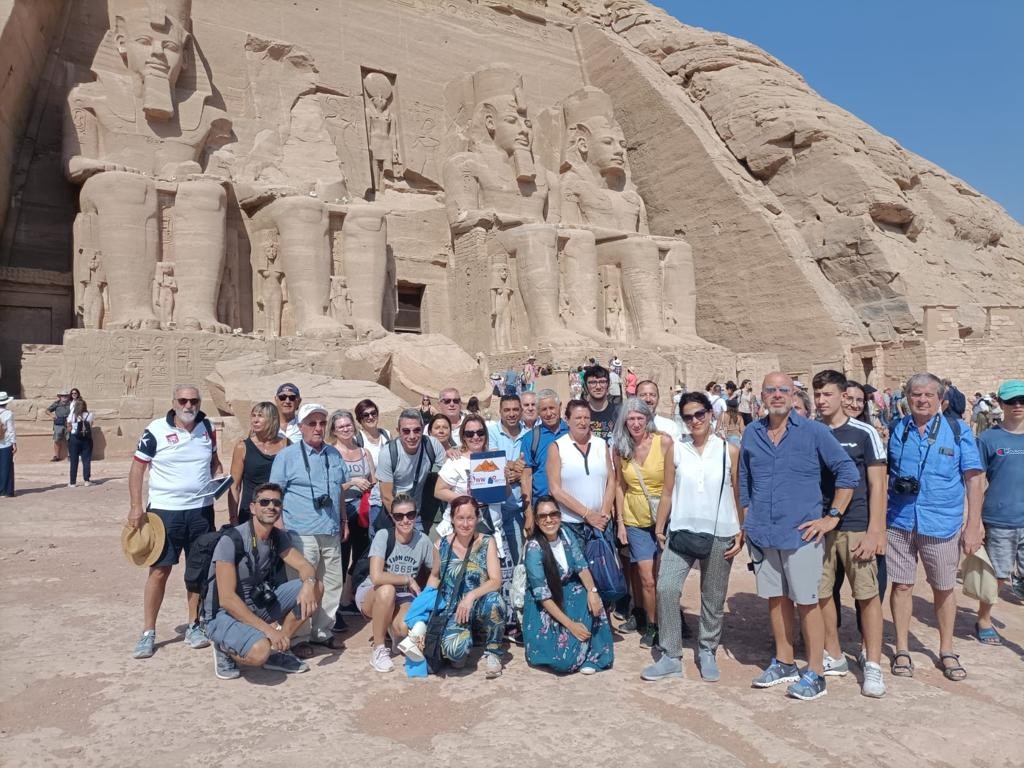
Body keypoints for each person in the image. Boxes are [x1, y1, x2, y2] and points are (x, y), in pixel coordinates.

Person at [741, 372, 858, 701]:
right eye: (771, 390)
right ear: (761, 396)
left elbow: (847, 473)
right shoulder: (752, 433)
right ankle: (784, 661)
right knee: (776, 599)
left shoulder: (814, 432)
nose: (777, 395)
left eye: (783, 390)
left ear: (793, 396)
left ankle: (817, 672)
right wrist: (747, 517)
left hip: (802, 531)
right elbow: (745, 479)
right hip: (764, 532)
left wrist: (831, 517)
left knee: (807, 602)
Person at [886, 373, 984, 681]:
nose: (922, 400)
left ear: (940, 399)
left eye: (929, 395)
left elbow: (974, 479)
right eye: (916, 394)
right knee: (901, 585)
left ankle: (946, 649)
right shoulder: (897, 429)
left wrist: (974, 525)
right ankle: (902, 648)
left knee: (942, 587)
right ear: (908, 397)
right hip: (900, 520)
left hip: (940, 522)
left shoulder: (957, 431)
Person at [643, 392, 743, 683]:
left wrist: (741, 530)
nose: (695, 421)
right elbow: (667, 491)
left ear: (711, 414)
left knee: (712, 596)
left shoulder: (729, 451)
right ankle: (671, 654)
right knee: (666, 588)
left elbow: (737, 494)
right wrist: (660, 527)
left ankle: (708, 649)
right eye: (688, 417)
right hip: (681, 530)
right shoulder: (676, 450)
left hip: (720, 531)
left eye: (700, 414)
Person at [129, 384, 223, 659]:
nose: (188, 405)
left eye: (193, 400)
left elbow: (213, 461)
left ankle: (194, 624)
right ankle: (148, 631)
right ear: (173, 402)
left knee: (197, 572)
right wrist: (136, 506)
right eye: (183, 400)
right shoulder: (156, 429)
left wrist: (219, 476)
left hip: (201, 511)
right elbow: (137, 468)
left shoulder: (207, 428)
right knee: (159, 571)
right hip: (165, 511)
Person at [812, 370, 888, 698]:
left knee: (866, 595)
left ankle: (873, 663)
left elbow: (878, 484)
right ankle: (835, 653)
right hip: (819, 525)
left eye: (826, 394)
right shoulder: (811, 431)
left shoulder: (863, 433)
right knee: (822, 592)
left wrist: (875, 531)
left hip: (856, 524)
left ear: (843, 396)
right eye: (816, 395)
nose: (820, 401)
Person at [205, 482, 323, 680]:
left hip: (256, 604)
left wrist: (309, 584)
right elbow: (226, 599)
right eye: (265, 502)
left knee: (316, 586)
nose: (271, 507)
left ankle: (279, 650)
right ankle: (224, 648)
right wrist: (270, 631)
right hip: (224, 614)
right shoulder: (231, 540)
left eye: (276, 503)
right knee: (260, 651)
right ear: (252, 508)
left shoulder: (277, 537)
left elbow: (305, 567)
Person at [269, 403, 348, 657]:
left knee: (332, 584)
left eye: (322, 423)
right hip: (300, 532)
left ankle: (323, 632)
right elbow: (274, 495)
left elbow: (338, 493)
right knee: (304, 585)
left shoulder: (334, 455)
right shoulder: (287, 456)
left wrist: (343, 521)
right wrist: (279, 530)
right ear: (300, 427)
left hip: (331, 529)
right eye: (312, 423)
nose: (318, 428)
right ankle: (300, 636)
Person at [523, 495, 614, 674]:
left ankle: (594, 656)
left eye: (553, 514)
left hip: (569, 591)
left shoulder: (565, 533)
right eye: (543, 516)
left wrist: (592, 591)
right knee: (564, 663)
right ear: (536, 520)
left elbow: (581, 566)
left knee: (592, 599)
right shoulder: (534, 549)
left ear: (560, 515)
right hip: (546, 604)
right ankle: (578, 649)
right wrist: (571, 625)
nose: (549, 520)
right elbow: (543, 596)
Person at [612, 397, 674, 647]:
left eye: (640, 418)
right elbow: (619, 485)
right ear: (624, 422)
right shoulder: (620, 449)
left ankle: (669, 621)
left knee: (665, 578)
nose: (636, 423)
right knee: (646, 577)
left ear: (648, 419)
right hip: (635, 518)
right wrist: (620, 523)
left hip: (664, 517)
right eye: (631, 419)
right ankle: (653, 625)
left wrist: (664, 523)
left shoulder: (664, 442)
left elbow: (670, 486)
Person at [434, 417, 514, 610]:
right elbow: (438, 490)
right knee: (461, 578)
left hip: (491, 528)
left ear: (485, 435)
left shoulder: (494, 458)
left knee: (495, 578)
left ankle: (495, 623)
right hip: (462, 529)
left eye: (480, 432)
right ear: (463, 436)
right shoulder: (455, 461)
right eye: (470, 434)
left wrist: (506, 479)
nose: (475, 437)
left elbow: (506, 493)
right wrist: (464, 500)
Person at [429, 495, 507, 676]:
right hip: (454, 611)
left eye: (470, 518)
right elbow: (435, 577)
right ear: (452, 520)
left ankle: (493, 651)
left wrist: (471, 596)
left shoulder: (487, 542)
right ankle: (467, 639)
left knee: (495, 601)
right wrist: (423, 606)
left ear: (477, 518)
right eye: (460, 518)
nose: (465, 524)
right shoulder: (440, 545)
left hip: (478, 605)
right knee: (456, 658)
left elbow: (495, 580)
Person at [357, 493, 435, 672]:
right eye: (399, 516)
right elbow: (376, 576)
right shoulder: (384, 535)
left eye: (410, 515)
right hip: (374, 592)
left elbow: (436, 572)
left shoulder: (422, 540)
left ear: (416, 515)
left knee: (405, 627)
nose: (405, 520)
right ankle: (378, 649)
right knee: (387, 590)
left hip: (403, 596)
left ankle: (394, 632)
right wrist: (407, 579)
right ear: (392, 517)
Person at [974, 379, 1024, 642]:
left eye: (1022, 401)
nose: (1018, 406)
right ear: (1001, 404)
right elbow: (978, 480)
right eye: (1012, 401)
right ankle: (983, 618)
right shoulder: (988, 438)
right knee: (998, 577)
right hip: (1000, 518)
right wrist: (974, 521)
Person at [547, 400, 616, 549]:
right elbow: (555, 490)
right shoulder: (557, 447)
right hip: (572, 524)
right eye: (578, 418)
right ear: (567, 420)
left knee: (605, 569)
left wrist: (603, 514)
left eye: (586, 418)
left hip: (601, 523)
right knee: (579, 571)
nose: (583, 422)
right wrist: (587, 514)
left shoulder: (600, 444)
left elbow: (611, 480)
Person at [330, 409, 377, 615]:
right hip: (342, 511)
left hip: (363, 511)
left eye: (348, 425)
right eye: (340, 426)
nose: (345, 429)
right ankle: (335, 607)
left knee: (362, 554)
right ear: (334, 430)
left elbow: (374, 481)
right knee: (340, 556)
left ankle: (349, 596)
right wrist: (353, 482)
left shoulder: (364, 453)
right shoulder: (331, 453)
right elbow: (331, 487)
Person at [377, 408, 447, 518]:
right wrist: (402, 521)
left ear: (423, 429)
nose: (412, 436)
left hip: (414, 510)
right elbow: (386, 496)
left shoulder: (432, 444)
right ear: (398, 431)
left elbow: (448, 474)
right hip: (387, 508)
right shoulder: (388, 453)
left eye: (417, 430)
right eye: (406, 431)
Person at [227, 402, 288, 525]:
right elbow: (235, 486)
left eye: (260, 416)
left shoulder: (287, 445)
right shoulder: (242, 447)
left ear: (272, 419)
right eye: (253, 416)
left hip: (279, 513)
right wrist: (233, 518)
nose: (255, 420)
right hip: (251, 512)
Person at [521, 389, 570, 536]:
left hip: (571, 507)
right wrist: (529, 514)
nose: (548, 413)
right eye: (543, 409)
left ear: (560, 407)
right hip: (544, 510)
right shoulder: (531, 439)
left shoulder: (572, 433)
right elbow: (526, 477)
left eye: (552, 408)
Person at [487, 395, 529, 568]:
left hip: (522, 506)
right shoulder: (491, 433)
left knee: (521, 557)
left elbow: (529, 466)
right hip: (497, 508)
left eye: (515, 410)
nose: (511, 414)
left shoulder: (529, 434)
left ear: (520, 411)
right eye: (507, 410)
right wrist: (514, 466)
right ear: (500, 412)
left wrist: (521, 474)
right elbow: (494, 463)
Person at [583, 365, 618, 441]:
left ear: (608, 384)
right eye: (593, 382)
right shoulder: (580, 414)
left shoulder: (619, 412)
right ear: (586, 386)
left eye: (602, 382)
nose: (598, 387)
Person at [66, 396, 95, 487]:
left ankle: (72, 482)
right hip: (86, 439)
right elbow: (90, 426)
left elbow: (69, 428)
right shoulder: (89, 414)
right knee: (86, 460)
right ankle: (86, 480)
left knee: (74, 461)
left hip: (74, 439)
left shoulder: (72, 415)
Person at [46, 389, 72, 462]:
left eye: (66, 396)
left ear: (68, 397)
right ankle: (56, 456)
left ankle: (70, 455)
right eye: (62, 396)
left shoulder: (71, 404)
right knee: (57, 440)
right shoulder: (56, 403)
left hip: (68, 423)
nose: (64, 397)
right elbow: (47, 410)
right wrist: (52, 415)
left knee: (69, 440)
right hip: (58, 424)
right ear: (60, 397)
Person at [0, 391, 15, 498]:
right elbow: (10, 431)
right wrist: (14, 443)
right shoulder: (8, 413)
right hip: (5, 443)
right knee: (6, 467)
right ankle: (5, 491)